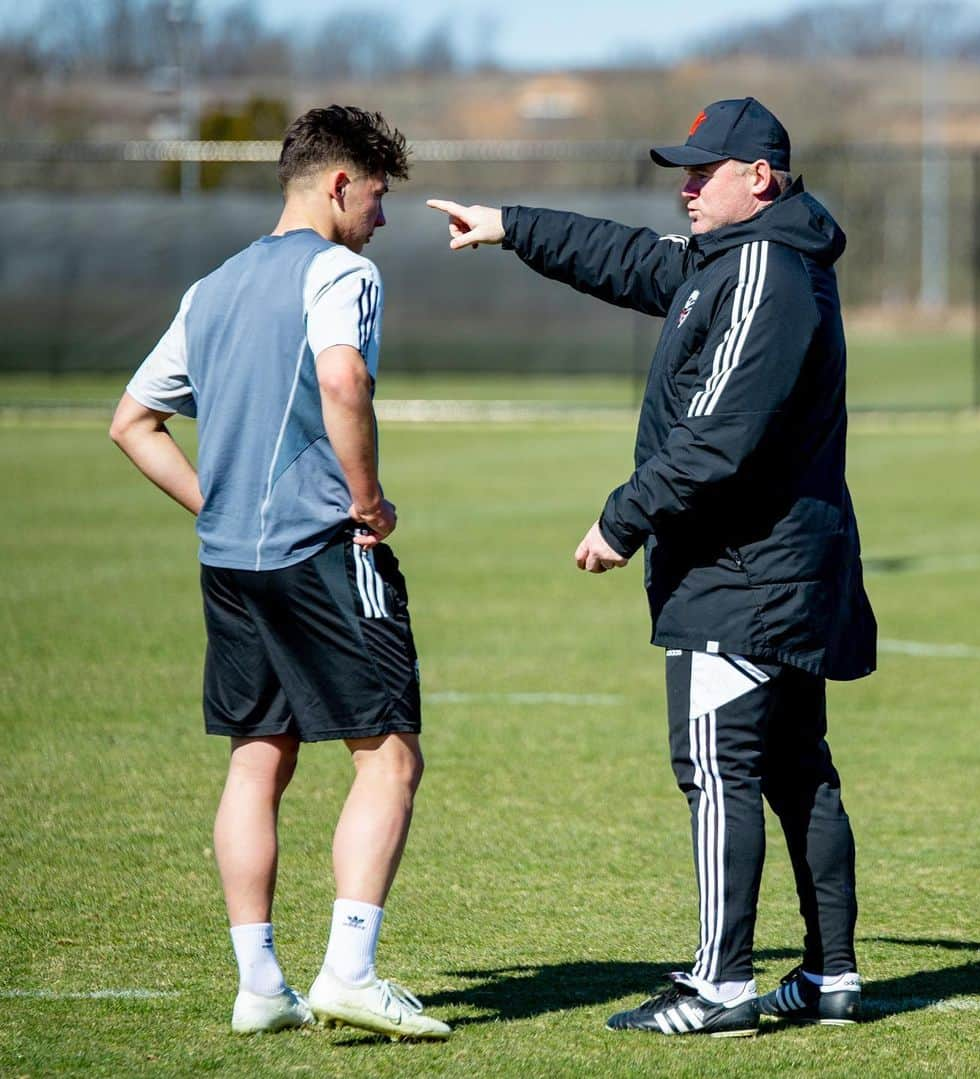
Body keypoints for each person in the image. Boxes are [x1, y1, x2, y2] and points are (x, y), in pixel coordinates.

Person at [428, 97, 875, 1038]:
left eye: (701, 171)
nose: (684, 186)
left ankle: (721, 986)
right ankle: (831, 977)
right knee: (798, 768)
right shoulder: (732, 259)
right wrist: (514, 227)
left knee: (720, 769)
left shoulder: (763, 269)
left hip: (745, 567)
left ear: (759, 179)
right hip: (772, 565)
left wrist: (622, 518)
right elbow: (628, 259)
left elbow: (717, 435)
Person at [110, 105, 450, 1041]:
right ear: (340, 184)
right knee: (389, 757)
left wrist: (214, 506)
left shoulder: (211, 288)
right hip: (322, 553)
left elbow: (131, 423)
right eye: (378, 197)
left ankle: (259, 984)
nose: (381, 219)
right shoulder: (344, 270)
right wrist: (369, 499)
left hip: (232, 565)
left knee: (257, 759)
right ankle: (349, 970)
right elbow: (344, 380)